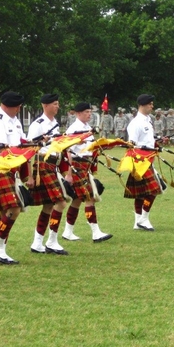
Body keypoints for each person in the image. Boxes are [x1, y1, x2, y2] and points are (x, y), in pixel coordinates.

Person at [0, 91, 31, 264]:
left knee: (6, 212)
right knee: (13, 208)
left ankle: (0, 250)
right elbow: (4, 148)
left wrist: (34, 144)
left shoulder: (15, 120)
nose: (19, 109)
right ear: (8, 105)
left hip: (12, 166)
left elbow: (22, 141)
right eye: (17, 106)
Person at [61, 102, 112, 243]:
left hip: (86, 165)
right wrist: (69, 173)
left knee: (77, 200)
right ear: (77, 113)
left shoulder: (87, 128)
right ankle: (96, 232)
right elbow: (68, 151)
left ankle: (67, 231)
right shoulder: (74, 129)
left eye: (90, 112)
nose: (89, 114)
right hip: (77, 164)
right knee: (90, 197)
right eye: (86, 112)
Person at [26, 93, 69, 255]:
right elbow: (30, 149)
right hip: (42, 164)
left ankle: (37, 242)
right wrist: (29, 174)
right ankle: (51, 241)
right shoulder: (38, 124)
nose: (57, 106)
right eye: (55, 104)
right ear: (45, 105)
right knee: (61, 202)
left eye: (58, 104)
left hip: (53, 165)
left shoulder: (55, 124)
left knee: (49, 205)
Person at [125, 94, 165, 231]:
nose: (152, 106)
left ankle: (137, 222)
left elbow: (147, 139)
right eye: (150, 104)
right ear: (143, 105)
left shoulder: (148, 120)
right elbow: (132, 144)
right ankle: (144, 218)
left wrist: (157, 142)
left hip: (149, 158)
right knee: (154, 189)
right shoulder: (135, 123)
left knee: (141, 193)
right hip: (139, 160)